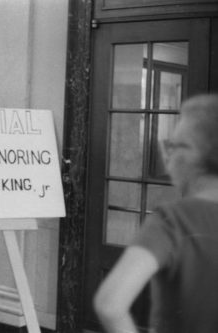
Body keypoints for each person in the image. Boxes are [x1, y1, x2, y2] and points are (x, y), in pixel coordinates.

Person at [94, 93, 218, 333]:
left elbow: (110, 304)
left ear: (197, 155)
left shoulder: (174, 220)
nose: (167, 156)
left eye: (173, 146)